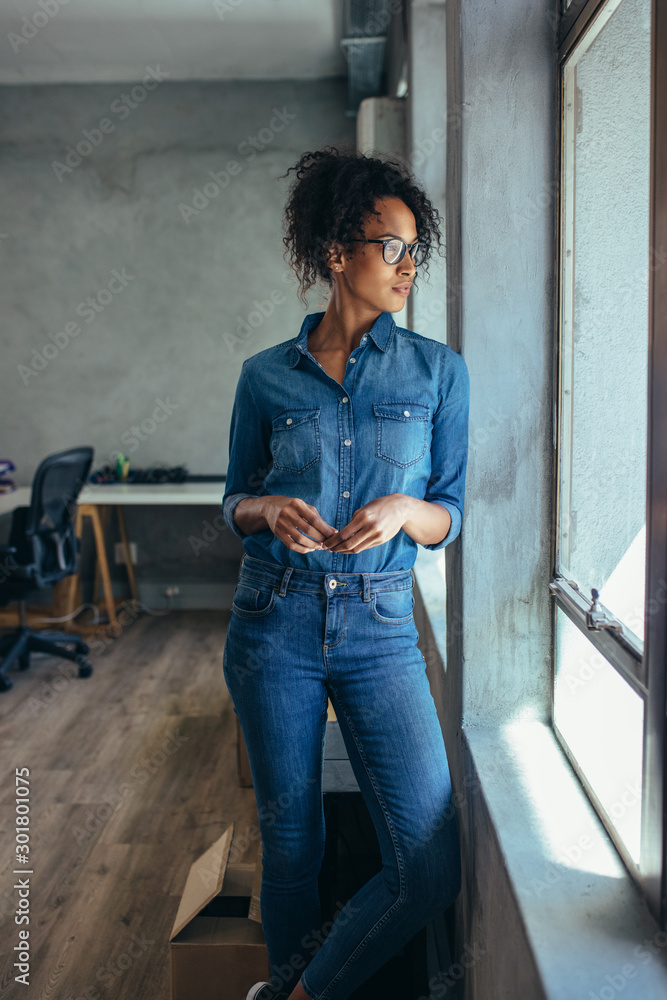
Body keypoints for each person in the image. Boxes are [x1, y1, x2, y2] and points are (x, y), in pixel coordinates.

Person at [221, 144, 470, 1000]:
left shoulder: (439, 372)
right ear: (337, 254)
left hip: (381, 627)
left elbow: (450, 510)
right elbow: (233, 501)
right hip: (272, 622)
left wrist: (404, 511)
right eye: (390, 247)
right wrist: (266, 510)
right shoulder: (265, 378)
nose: (407, 266)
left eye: (414, 250)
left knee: (428, 864)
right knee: (292, 847)